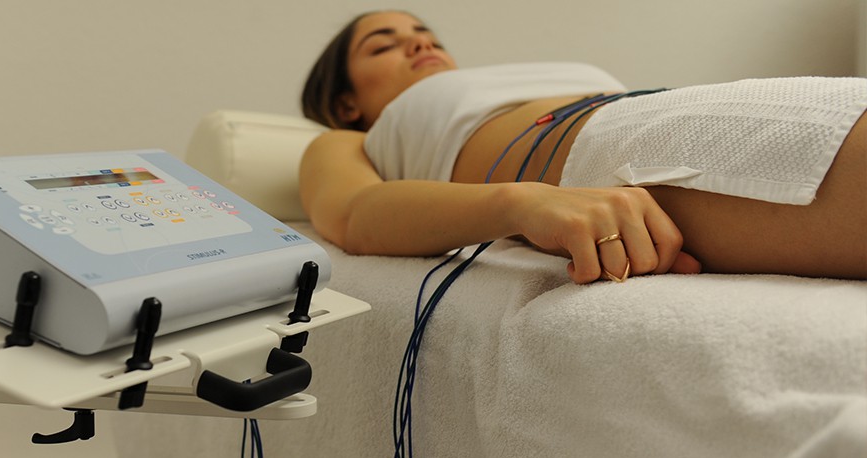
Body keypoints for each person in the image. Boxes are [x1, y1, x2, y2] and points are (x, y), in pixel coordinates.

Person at [298, 10, 867, 284]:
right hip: (616, 153)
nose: (420, 43)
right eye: (384, 45)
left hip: (678, 108)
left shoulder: (491, 81)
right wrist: (523, 203)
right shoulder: (351, 139)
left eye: (427, 36)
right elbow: (352, 215)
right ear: (345, 102)